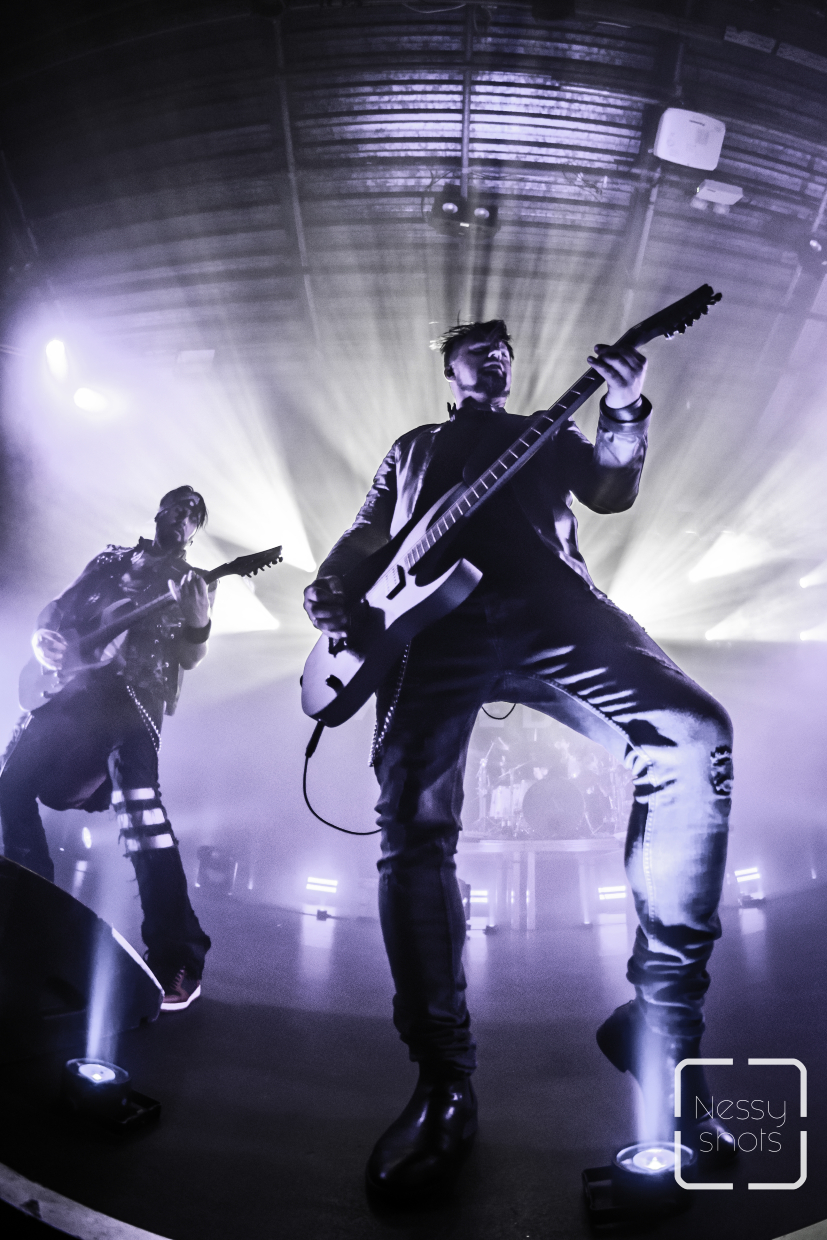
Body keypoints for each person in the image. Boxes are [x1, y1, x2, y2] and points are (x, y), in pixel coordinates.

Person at [303, 320, 735, 1198]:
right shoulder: (413, 447)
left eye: (504, 345)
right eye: (477, 344)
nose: (496, 351)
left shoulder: (542, 429)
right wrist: (331, 586)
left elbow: (609, 490)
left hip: (552, 606)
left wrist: (624, 407)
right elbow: (365, 532)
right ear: (449, 368)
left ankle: (663, 1035)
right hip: (429, 631)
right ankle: (442, 1081)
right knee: (412, 828)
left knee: (693, 734)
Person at [0, 486, 213, 1011]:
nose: (182, 515)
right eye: (177, 505)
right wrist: (42, 640)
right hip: (72, 694)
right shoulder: (110, 560)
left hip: (133, 704)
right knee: (9, 786)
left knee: (143, 817)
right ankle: (32, 918)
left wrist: (199, 622)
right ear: (160, 510)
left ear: (195, 531)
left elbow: (190, 657)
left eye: (193, 513)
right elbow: (57, 608)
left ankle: (178, 956)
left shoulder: (195, 580)